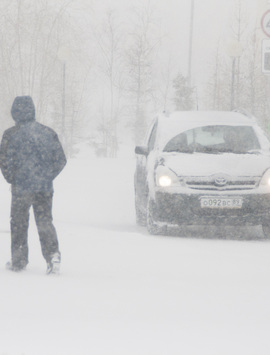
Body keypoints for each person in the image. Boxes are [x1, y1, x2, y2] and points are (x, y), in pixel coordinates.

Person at [0, 96, 67, 274]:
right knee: (45, 221)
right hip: (44, 188)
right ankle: (53, 255)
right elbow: (61, 160)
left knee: (19, 223)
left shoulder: (9, 135)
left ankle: (19, 260)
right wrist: (46, 176)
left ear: (15, 112)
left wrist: (12, 178)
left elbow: (4, 161)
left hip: (20, 188)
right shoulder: (47, 132)